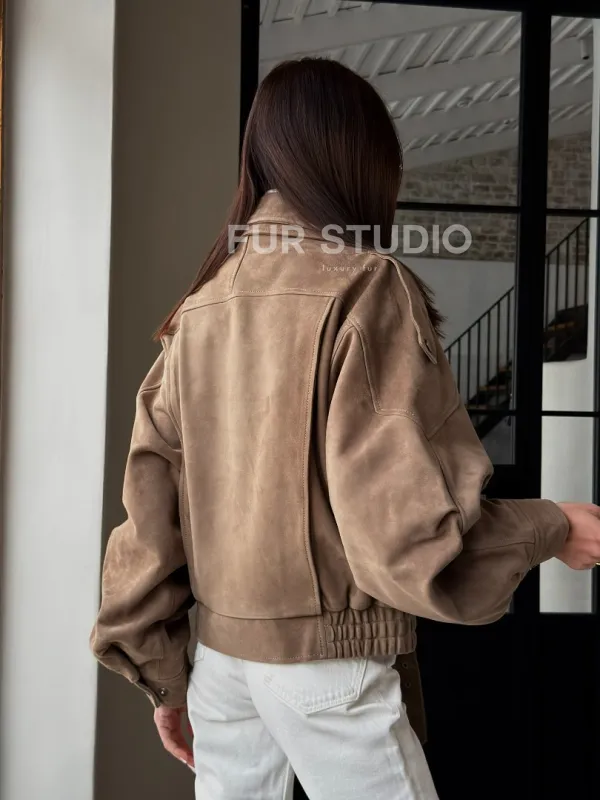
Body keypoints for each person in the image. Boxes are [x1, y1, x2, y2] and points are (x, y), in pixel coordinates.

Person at [90, 58, 600, 800]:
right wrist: (552, 527)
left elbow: (149, 512)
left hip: (221, 667)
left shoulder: (201, 305)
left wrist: (163, 676)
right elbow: (402, 533)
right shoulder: (365, 284)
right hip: (325, 666)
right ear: (363, 161)